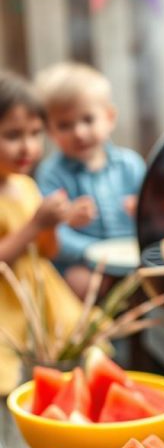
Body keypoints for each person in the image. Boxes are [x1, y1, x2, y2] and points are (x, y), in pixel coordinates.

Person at [0, 71, 83, 397]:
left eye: (35, 134)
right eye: (13, 135)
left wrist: (53, 224)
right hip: (8, 307)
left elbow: (48, 252)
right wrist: (35, 224)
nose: (29, 146)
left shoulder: (26, 185)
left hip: (40, 297)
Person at [35, 62, 145, 299]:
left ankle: (143, 334)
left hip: (133, 258)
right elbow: (50, 233)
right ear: (50, 131)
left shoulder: (130, 165)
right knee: (79, 282)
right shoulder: (52, 173)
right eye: (65, 125)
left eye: (88, 120)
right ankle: (93, 334)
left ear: (109, 118)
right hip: (84, 264)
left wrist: (143, 210)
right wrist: (66, 220)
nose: (79, 133)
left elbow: (157, 214)